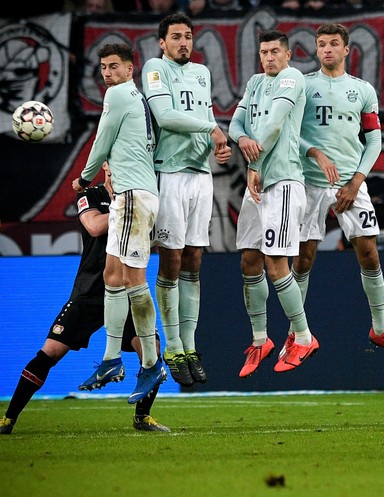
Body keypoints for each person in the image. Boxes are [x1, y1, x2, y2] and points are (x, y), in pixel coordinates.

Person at [0, 167, 169, 435]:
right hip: (90, 293)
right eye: (114, 162)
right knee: (48, 354)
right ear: (105, 166)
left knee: (153, 352)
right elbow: (93, 226)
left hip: (127, 290)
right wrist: (125, 207)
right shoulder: (92, 196)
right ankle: (8, 418)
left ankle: (143, 416)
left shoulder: (141, 197)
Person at [289, 23, 384, 365]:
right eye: (321, 44)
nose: (326, 49)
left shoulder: (362, 90)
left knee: (370, 253)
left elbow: (373, 139)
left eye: (333, 44)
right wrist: (315, 151)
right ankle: (296, 334)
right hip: (311, 183)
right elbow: (289, 131)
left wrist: (357, 181)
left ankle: (380, 328)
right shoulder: (304, 85)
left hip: (350, 184)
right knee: (303, 259)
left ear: (347, 50)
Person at [71, 42, 167, 405]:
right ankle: (112, 359)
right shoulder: (136, 98)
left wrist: (83, 178)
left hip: (132, 198)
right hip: (134, 194)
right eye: (103, 68)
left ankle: (151, 363)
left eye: (114, 66)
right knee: (113, 275)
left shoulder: (119, 95)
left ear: (130, 69)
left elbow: (101, 141)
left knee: (132, 279)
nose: (107, 73)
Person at [142, 13, 231, 387]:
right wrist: (210, 128)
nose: (183, 42)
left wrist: (219, 144)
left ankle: (190, 346)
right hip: (169, 172)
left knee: (194, 258)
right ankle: (173, 344)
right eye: (176, 36)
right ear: (162, 42)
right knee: (172, 258)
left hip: (200, 175)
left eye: (188, 36)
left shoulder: (201, 73)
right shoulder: (153, 68)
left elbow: (206, 113)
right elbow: (165, 115)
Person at [229, 30, 317, 377]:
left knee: (276, 262)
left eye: (275, 52)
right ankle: (261, 339)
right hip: (259, 187)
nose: (268, 57)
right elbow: (237, 123)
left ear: (288, 54)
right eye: (263, 52)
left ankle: (304, 336)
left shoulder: (292, 78)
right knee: (250, 260)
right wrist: (242, 138)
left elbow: (275, 124)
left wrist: (253, 163)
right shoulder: (254, 83)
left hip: (281, 181)